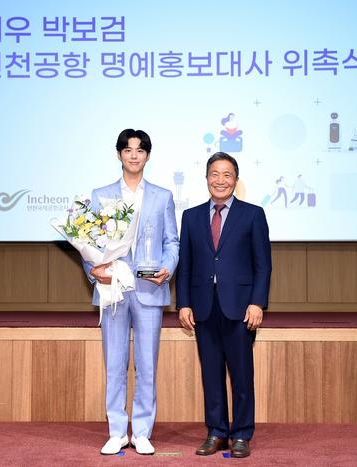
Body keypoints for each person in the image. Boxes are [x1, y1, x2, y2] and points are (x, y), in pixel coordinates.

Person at [84, 129, 179, 456]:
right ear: (119, 154)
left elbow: (172, 242)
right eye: (128, 150)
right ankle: (116, 431)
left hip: (150, 290)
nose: (134, 155)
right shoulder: (101, 195)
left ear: (147, 156)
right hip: (113, 291)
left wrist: (168, 267)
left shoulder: (162, 196)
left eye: (140, 150)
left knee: (147, 366)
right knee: (115, 364)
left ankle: (141, 432)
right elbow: (89, 242)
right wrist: (93, 270)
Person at [176, 152, 272, 458]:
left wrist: (257, 302)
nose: (220, 180)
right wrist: (184, 303)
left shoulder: (253, 215)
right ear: (206, 178)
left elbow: (263, 265)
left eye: (227, 175)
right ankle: (216, 432)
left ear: (236, 180)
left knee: (241, 375)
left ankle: (241, 434)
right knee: (211, 374)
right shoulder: (190, 217)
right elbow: (185, 265)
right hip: (203, 307)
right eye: (215, 174)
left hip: (240, 308)